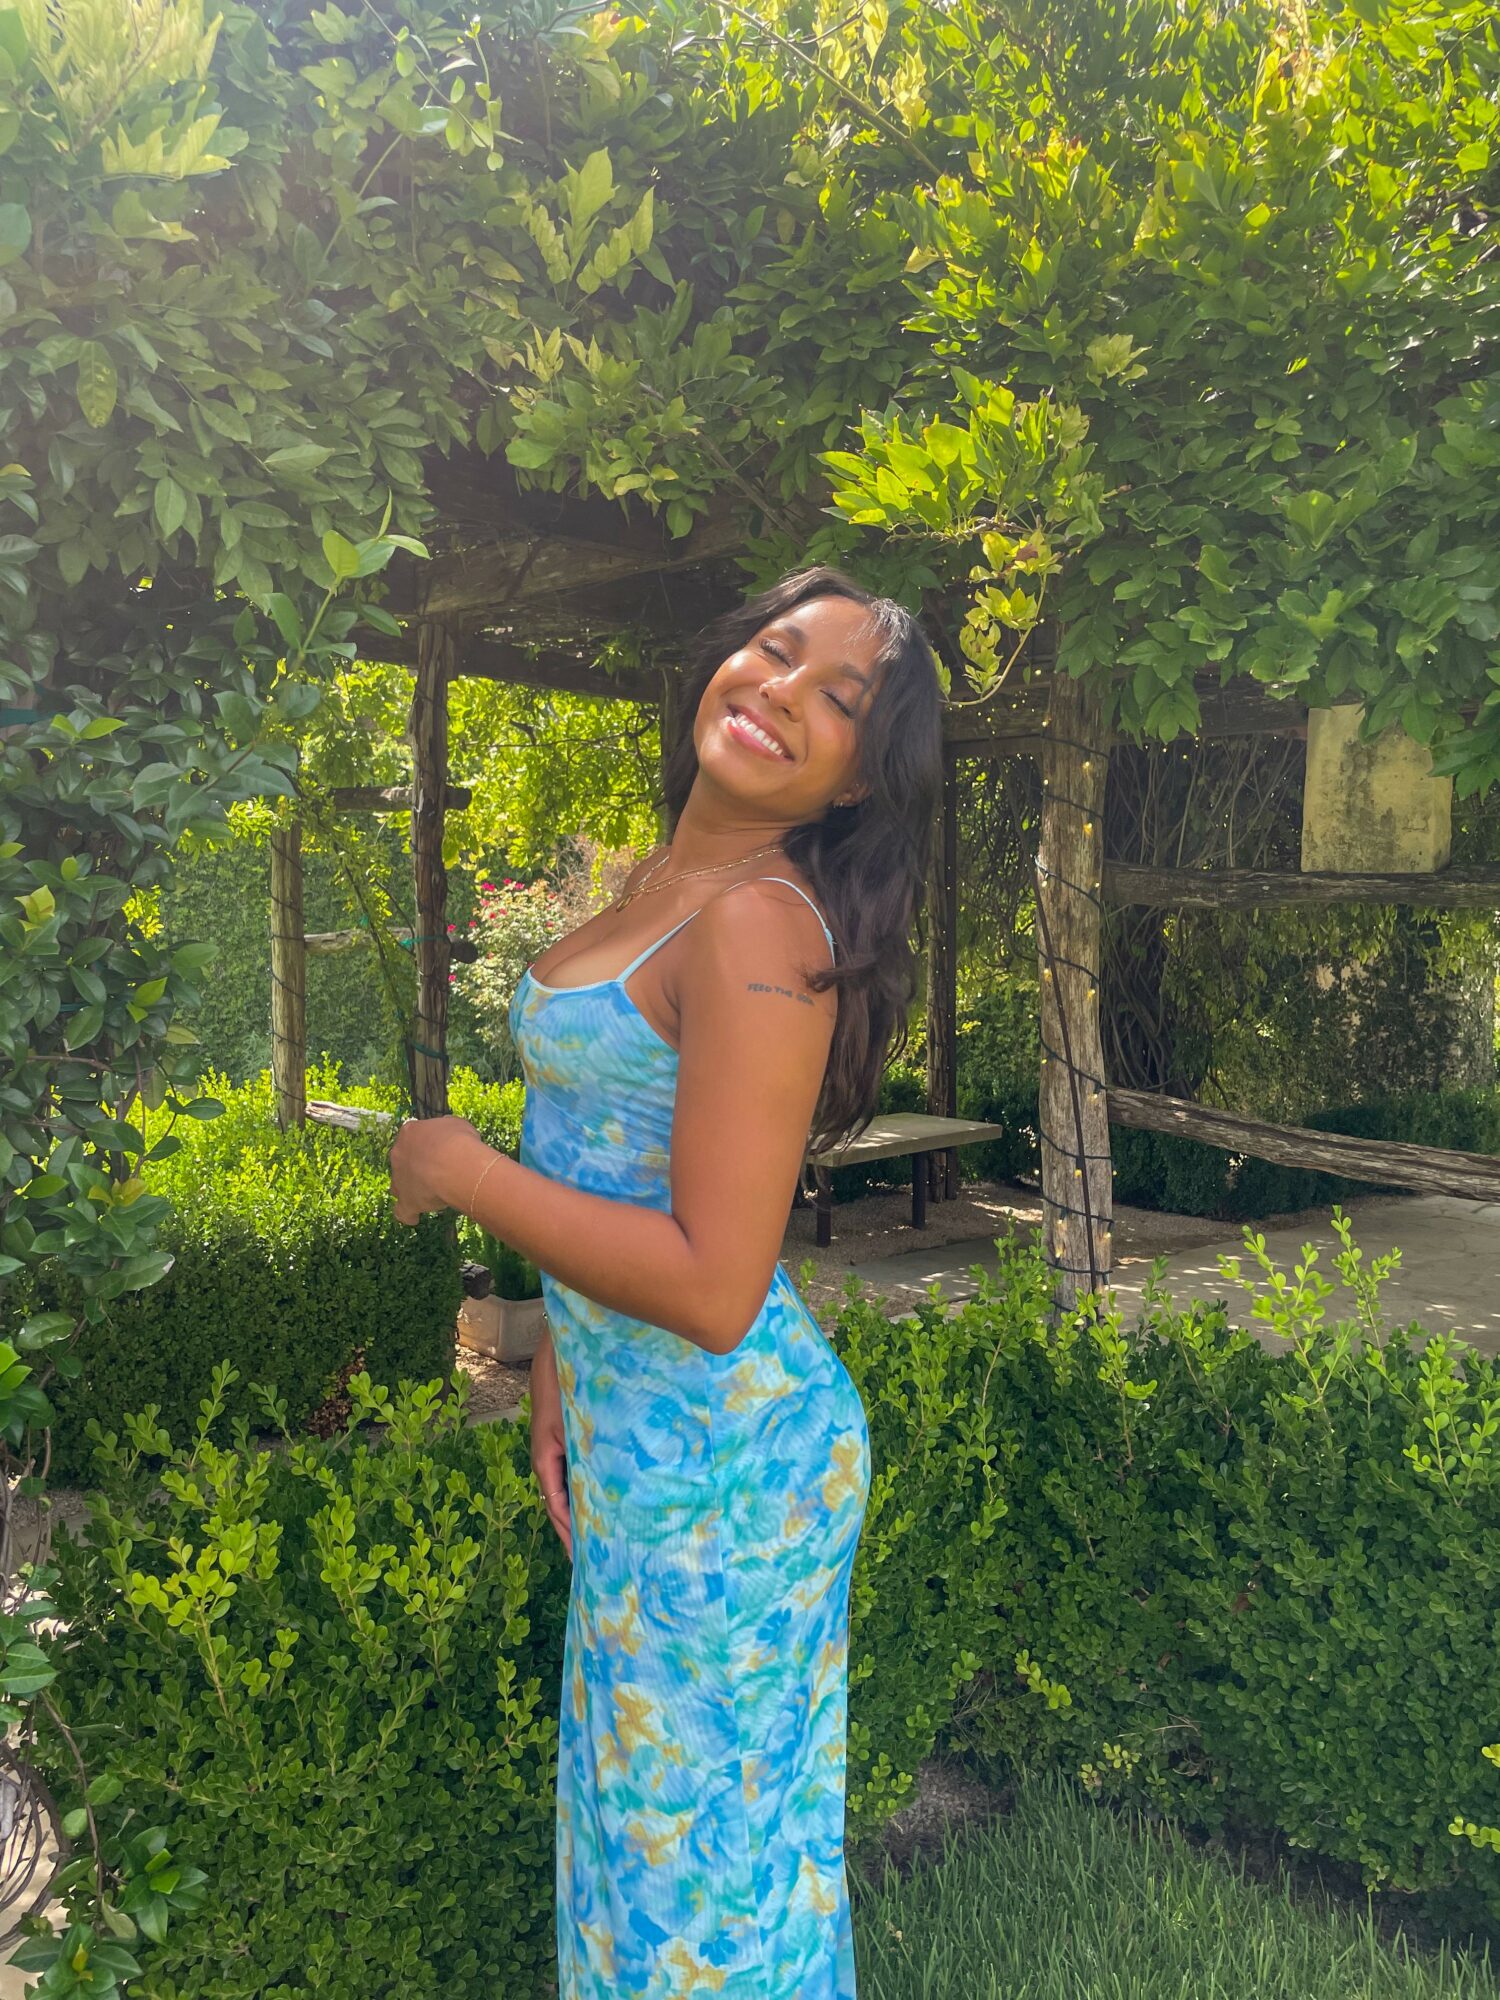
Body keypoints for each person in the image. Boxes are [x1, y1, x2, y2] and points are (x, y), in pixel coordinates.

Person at [388, 565, 944, 1999]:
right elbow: (615, 1162)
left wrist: (462, 1171)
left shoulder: (759, 921)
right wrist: (561, 1366)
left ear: (856, 781)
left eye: (838, 699)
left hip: (730, 1476)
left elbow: (713, 1285)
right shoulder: (669, 880)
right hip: (646, 1442)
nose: (778, 690)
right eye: (774, 649)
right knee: (647, 1862)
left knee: (704, 1900)